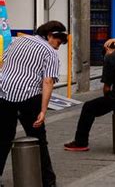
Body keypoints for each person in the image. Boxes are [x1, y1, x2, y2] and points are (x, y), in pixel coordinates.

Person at [0, 21, 67, 187]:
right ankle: (48, 181)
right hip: (29, 97)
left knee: (2, 138)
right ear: (50, 35)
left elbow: (3, 64)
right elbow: (48, 81)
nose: (58, 47)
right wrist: (43, 111)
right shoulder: (49, 53)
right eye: (58, 43)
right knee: (38, 139)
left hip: (4, 94)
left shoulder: (18, 40)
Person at [64, 38, 115, 151]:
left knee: (88, 107)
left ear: (107, 49)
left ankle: (80, 142)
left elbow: (106, 88)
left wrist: (108, 100)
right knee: (106, 102)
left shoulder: (110, 58)